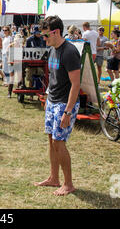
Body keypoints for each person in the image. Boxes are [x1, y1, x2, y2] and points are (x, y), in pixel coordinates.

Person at [34, 15, 81, 196]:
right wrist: (47, 99)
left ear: (57, 32)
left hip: (65, 103)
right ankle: (54, 178)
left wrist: (68, 112)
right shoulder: (53, 49)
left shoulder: (69, 52)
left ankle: (68, 184)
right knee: (51, 140)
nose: (44, 39)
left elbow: (75, 85)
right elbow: (53, 78)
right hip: (53, 100)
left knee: (59, 142)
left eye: (46, 36)